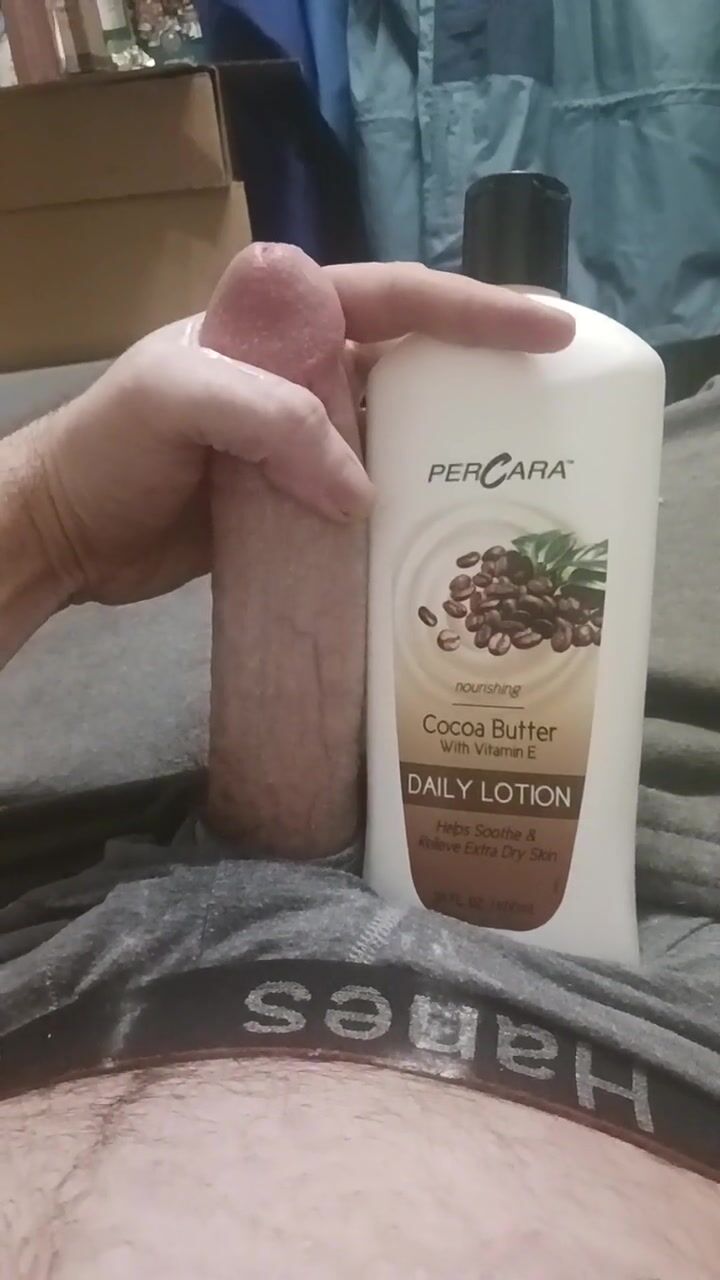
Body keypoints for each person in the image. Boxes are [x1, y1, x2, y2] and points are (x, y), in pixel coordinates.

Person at [0, 259, 718, 1278]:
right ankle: (285, 813)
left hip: (83, 970)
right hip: (634, 1033)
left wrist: (43, 522)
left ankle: (278, 824)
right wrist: (44, 514)